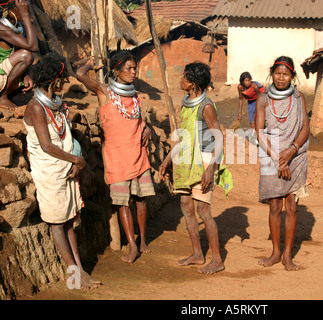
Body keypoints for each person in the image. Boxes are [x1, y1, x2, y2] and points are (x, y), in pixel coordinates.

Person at [23, 52, 101, 289]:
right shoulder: (36, 107)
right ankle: (74, 275)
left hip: (64, 168)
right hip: (50, 172)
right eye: (62, 79)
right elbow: (47, 146)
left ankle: (79, 270)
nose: (65, 83)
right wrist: (76, 160)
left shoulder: (55, 104)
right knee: (58, 223)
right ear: (54, 80)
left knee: (68, 220)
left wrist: (73, 161)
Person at [76, 51, 155, 264]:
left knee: (141, 200)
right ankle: (132, 245)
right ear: (117, 70)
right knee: (123, 203)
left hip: (138, 155)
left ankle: (143, 239)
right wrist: (91, 64)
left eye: (134, 68)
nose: (133, 72)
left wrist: (147, 129)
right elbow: (79, 74)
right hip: (117, 156)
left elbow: (139, 122)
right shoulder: (104, 92)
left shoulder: (135, 96)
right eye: (128, 68)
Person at [159, 62, 233, 275]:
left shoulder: (206, 106)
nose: (180, 80)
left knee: (203, 210)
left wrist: (210, 169)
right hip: (185, 163)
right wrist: (166, 160)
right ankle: (197, 253)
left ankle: (217, 259)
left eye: (184, 77)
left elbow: (218, 137)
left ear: (193, 83)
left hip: (203, 161)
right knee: (186, 206)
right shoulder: (186, 104)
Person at [254, 56, 310, 271]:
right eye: (277, 73)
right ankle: (275, 253)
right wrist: (279, 158)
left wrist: (291, 150)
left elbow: (305, 128)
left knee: (292, 206)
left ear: (292, 76)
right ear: (272, 73)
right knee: (275, 206)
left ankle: (288, 255)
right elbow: (259, 131)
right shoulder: (263, 99)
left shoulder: (299, 98)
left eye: (286, 74)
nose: (281, 78)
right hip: (271, 155)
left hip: (295, 156)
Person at [0, 0, 37, 110]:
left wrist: (25, 75)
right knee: (26, 56)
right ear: (10, 11)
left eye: (27, 10)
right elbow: (33, 46)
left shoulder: (17, 26)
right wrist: (25, 17)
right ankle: (2, 97)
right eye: (24, 9)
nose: (27, 12)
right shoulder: (1, 28)